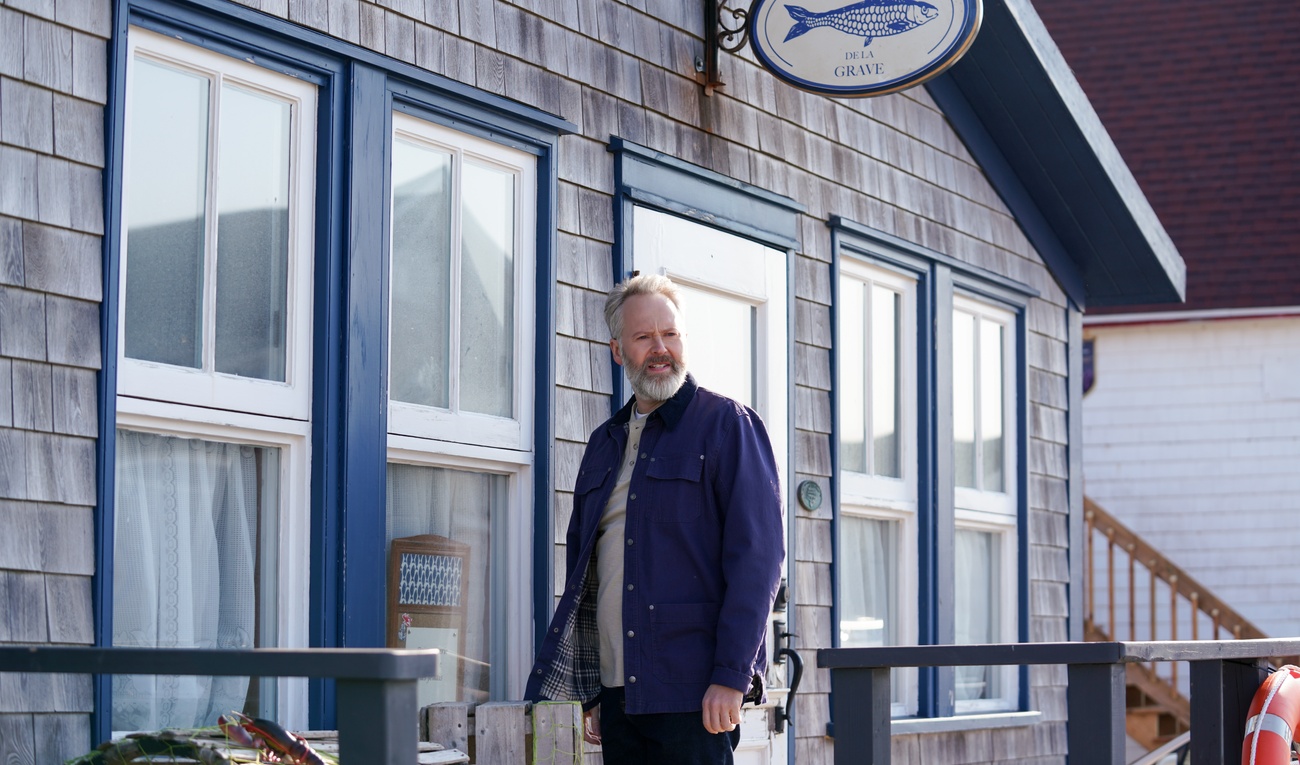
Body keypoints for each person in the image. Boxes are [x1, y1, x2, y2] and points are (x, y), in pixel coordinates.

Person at [525, 273, 785, 765]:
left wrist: (731, 676)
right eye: (643, 337)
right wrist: (598, 690)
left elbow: (759, 562)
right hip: (621, 694)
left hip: (695, 694)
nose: (659, 348)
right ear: (618, 350)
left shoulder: (728, 425)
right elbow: (590, 568)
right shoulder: (604, 443)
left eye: (670, 334)